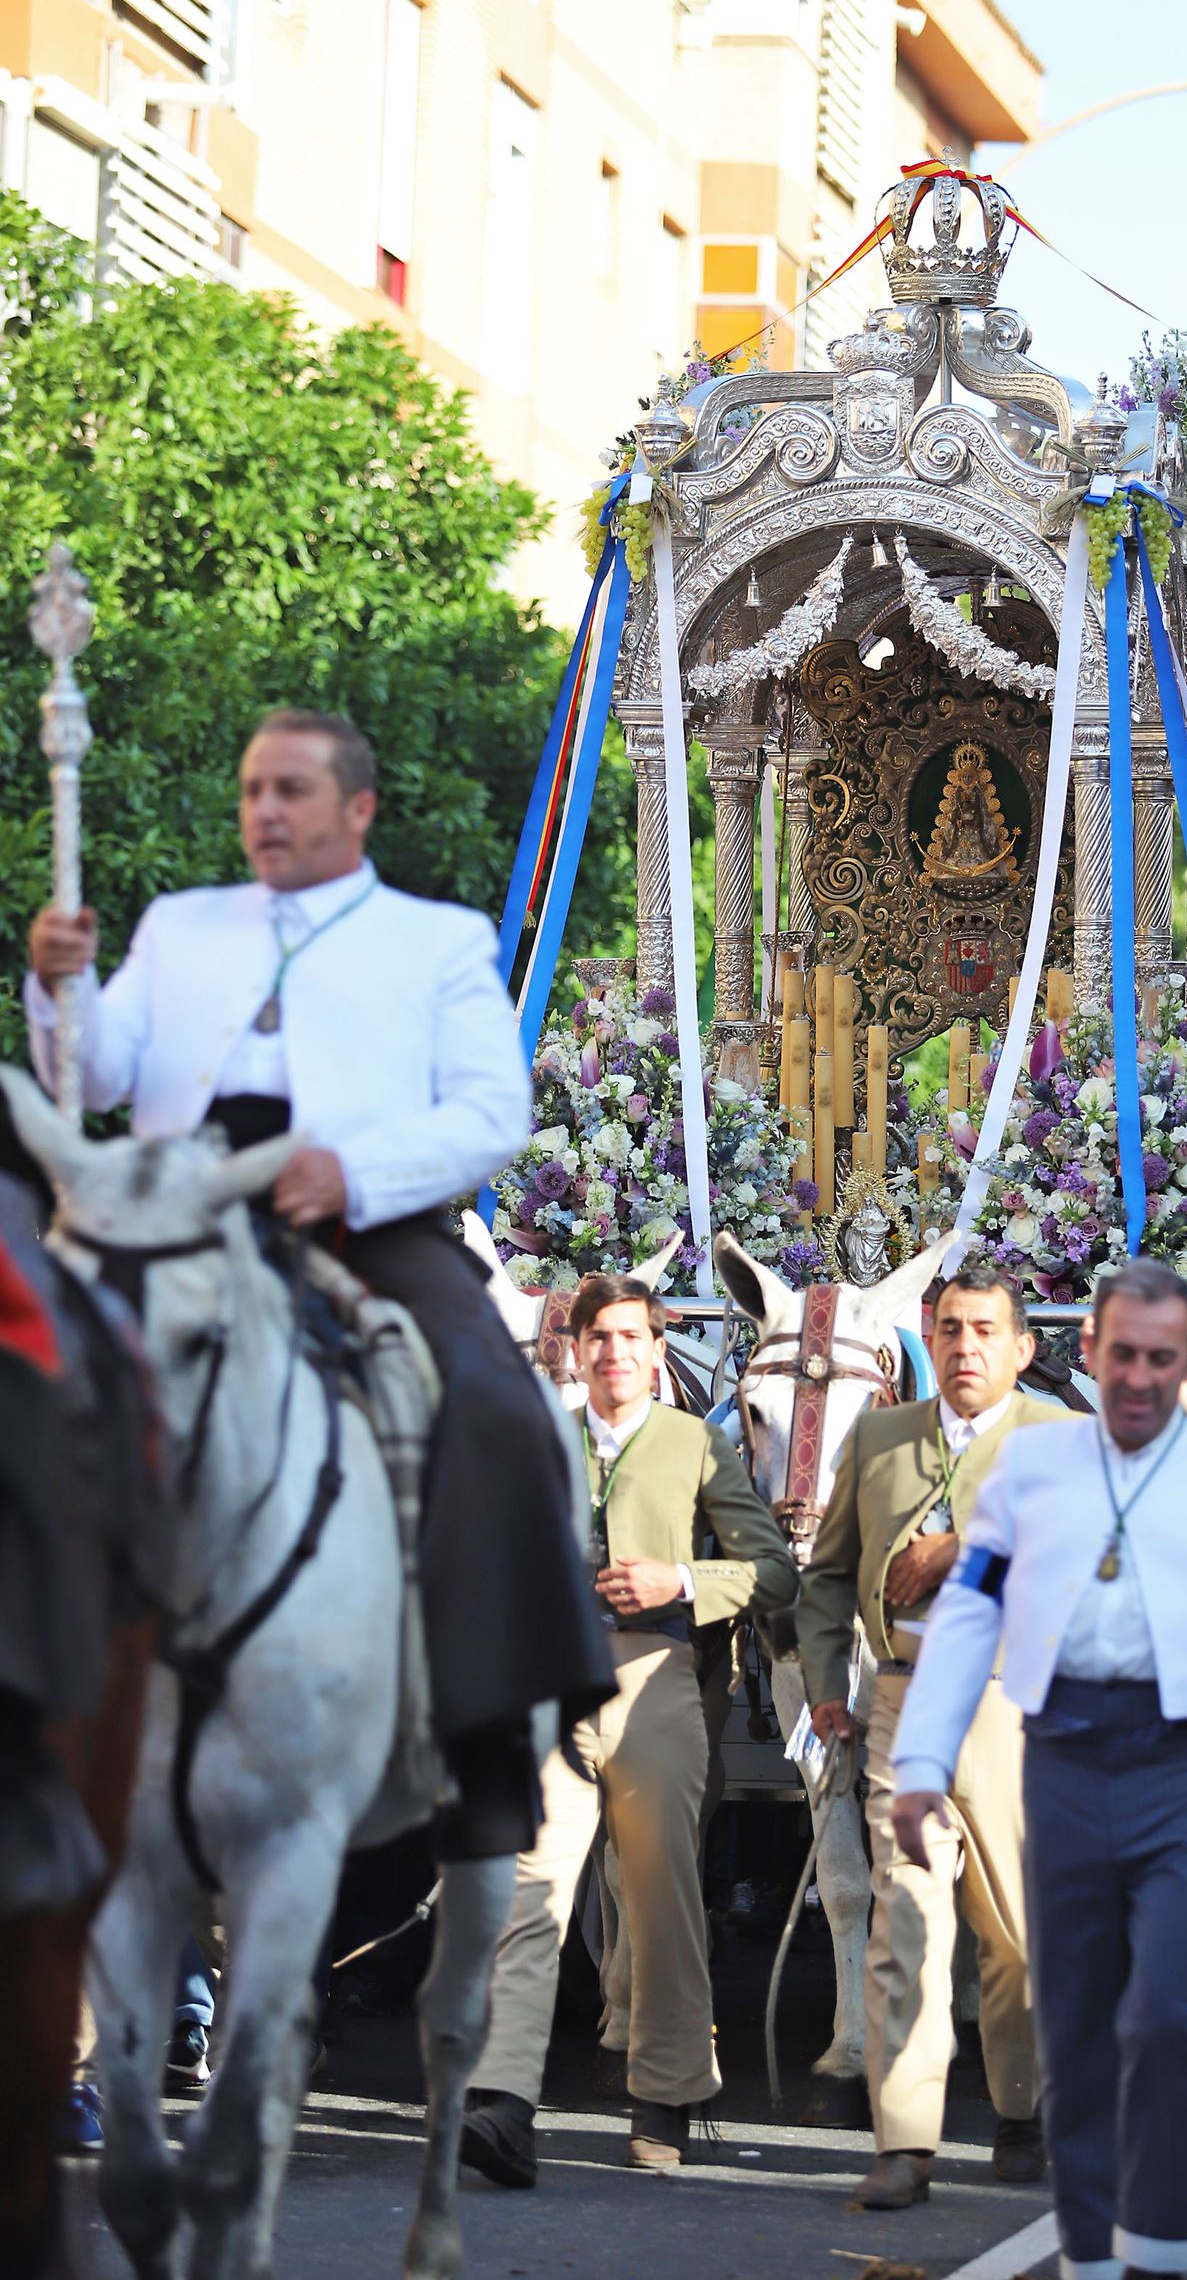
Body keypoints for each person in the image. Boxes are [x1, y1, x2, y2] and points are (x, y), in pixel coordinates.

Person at [25, 708, 616, 1853]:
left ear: (357, 809)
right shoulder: (180, 923)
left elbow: (493, 1116)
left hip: (359, 1222)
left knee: (499, 1401)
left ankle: (491, 1729)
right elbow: (89, 1074)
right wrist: (62, 987)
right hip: (178, 1216)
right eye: (252, 790)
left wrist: (354, 1171)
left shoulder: (434, 939)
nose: (263, 811)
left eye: (290, 789)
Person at [892, 1259, 1187, 2280]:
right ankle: (1089, 2255)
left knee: (1164, 2011)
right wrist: (922, 1760)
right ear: (1088, 1351)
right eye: (1121, 1354)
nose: (1139, 1377)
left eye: (1163, 1357)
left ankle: (1161, 2244)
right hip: (1063, 1753)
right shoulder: (1030, 1471)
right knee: (1071, 2018)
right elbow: (972, 1605)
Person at [461, 1272, 798, 2180]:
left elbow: (774, 1574)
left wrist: (680, 1581)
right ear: (573, 1351)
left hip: (657, 1677)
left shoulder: (694, 1444)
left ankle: (665, 2094)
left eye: (629, 1337)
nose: (612, 1352)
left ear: (658, 1350)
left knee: (662, 1898)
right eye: (596, 1337)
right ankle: (500, 2103)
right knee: (530, 1888)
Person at [795, 1262, 1068, 2210]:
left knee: (1014, 1931)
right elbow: (826, 1574)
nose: (964, 1348)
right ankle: (904, 2140)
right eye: (949, 1328)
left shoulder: (1062, 1441)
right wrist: (828, 1685)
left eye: (986, 1330)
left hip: (1013, 1703)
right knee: (903, 1916)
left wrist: (965, 1546)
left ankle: (1021, 2111)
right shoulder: (879, 1437)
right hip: (904, 1703)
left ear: (1022, 1348)